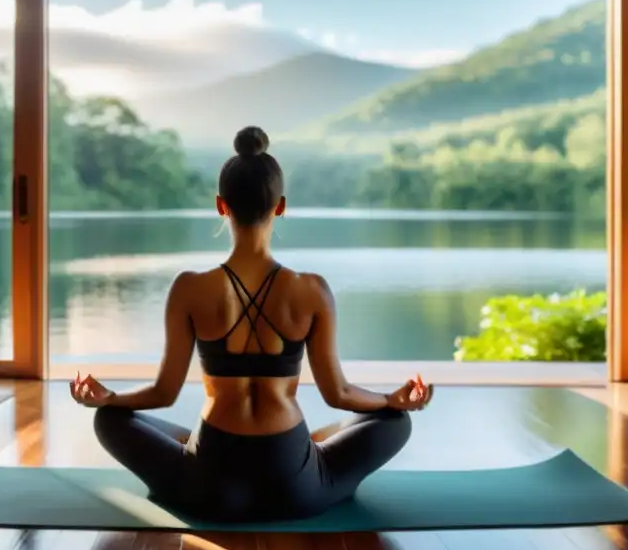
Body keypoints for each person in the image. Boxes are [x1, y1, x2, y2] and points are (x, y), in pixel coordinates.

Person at [71, 126, 434, 523]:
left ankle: (189, 454)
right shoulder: (311, 290)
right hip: (294, 486)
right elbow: (340, 393)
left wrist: (109, 398)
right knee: (394, 422)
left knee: (110, 419)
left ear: (220, 205)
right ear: (280, 206)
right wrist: (390, 400)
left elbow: (163, 392)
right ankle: (318, 450)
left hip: (209, 486)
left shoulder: (189, 288)